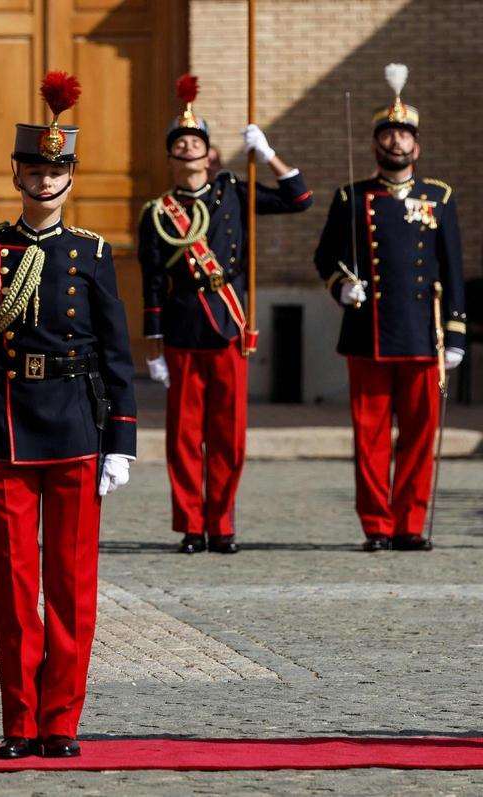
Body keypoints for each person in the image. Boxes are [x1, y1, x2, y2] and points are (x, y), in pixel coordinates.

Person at [0, 71, 136, 759]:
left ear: (70, 176)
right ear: (18, 175)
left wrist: (122, 440)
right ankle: (18, 720)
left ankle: (60, 719)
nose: (47, 179)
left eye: (58, 168)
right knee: (14, 583)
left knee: (71, 583)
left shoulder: (91, 253)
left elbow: (115, 352)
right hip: (4, 427)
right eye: (36, 168)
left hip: (76, 429)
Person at [138, 74, 313, 555]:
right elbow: (152, 280)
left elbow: (300, 200)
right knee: (183, 439)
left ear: (209, 153)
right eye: (181, 144)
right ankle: (192, 526)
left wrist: (268, 155)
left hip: (231, 327)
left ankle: (223, 523)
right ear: (172, 157)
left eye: (196, 142)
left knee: (229, 438)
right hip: (181, 330)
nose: (189, 149)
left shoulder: (235, 190)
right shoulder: (157, 211)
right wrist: (152, 343)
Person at [313, 64, 464, 553]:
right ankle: (376, 525)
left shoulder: (438, 198)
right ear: (375, 145)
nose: (396, 142)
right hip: (368, 332)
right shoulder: (350, 196)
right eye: (388, 134)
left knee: (420, 439)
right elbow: (324, 256)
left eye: (404, 135)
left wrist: (456, 334)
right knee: (372, 439)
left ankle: (410, 524)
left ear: (416, 146)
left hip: (424, 334)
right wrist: (341, 287)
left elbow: (453, 269)